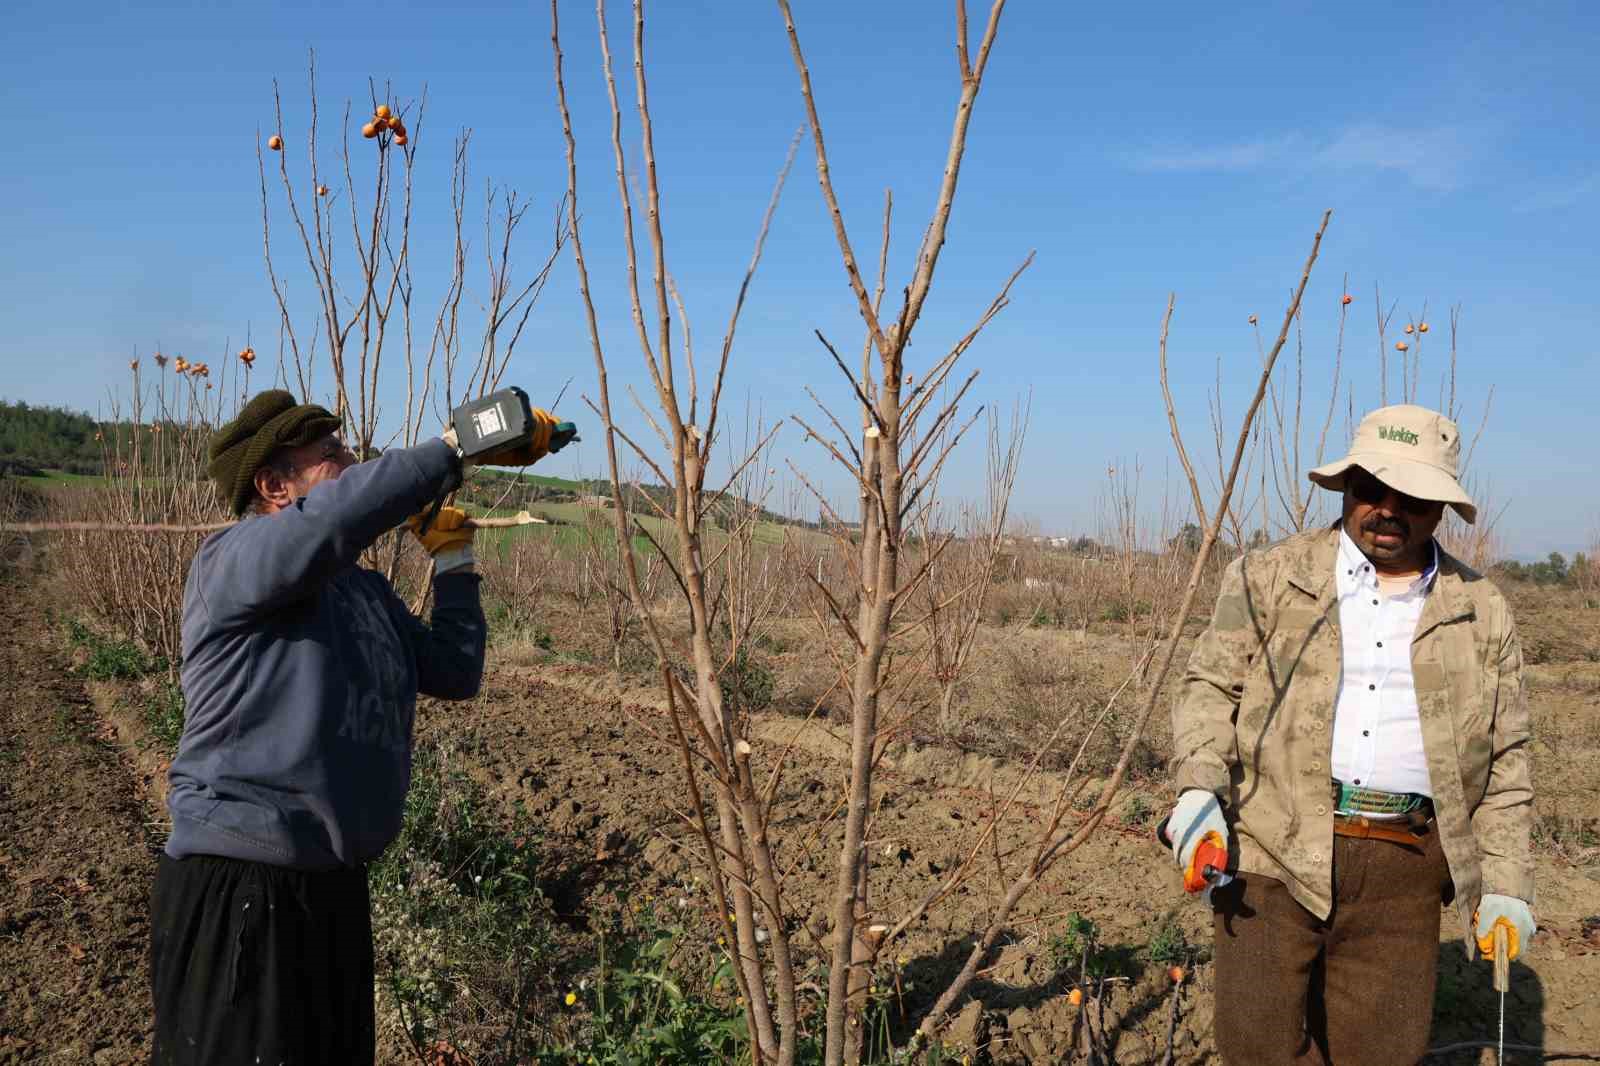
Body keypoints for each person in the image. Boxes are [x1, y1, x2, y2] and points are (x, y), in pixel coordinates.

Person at [148, 389, 558, 1064]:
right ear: (276, 486)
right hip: (244, 888)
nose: (353, 460)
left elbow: (455, 670)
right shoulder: (233, 559)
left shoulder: (363, 593)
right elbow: (329, 522)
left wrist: (453, 561)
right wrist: (454, 449)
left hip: (332, 890)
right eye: (331, 454)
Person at [1167, 403, 1534, 1065]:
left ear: (1440, 508)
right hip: (1272, 849)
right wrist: (1198, 787)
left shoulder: (1480, 610)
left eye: (1414, 497)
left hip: (1405, 871)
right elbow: (1208, 687)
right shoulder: (1268, 577)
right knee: (1257, 1049)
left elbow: (1507, 760)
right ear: (1347, 489)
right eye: (1372, 490)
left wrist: (1505, 882)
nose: (1389, 509)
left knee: (1382, 1054)